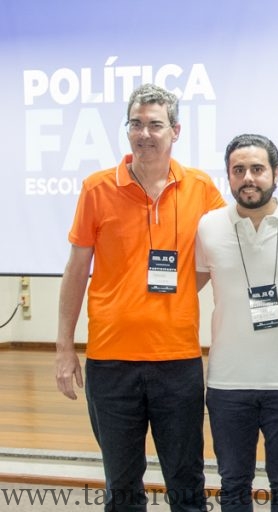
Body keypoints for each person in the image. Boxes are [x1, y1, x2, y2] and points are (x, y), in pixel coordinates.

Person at [55, 83, 226, 512]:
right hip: (111, 362)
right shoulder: (97, 188)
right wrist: (63, 348)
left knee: (186, 479)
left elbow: (224, 248)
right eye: (136, 124)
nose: (144, 133)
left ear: (176, 130)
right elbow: (76, 271)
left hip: (177, 360)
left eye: (155, 124)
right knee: (122, 483)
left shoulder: (201, 188)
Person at [195, 134, 278, 512]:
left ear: (276, 174)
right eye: (238, 170)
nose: (248, 177)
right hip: (228, 382)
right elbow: (189, 284)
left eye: (258, 169)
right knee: (232, 485)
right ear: (228, 176)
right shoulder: (208, 227)